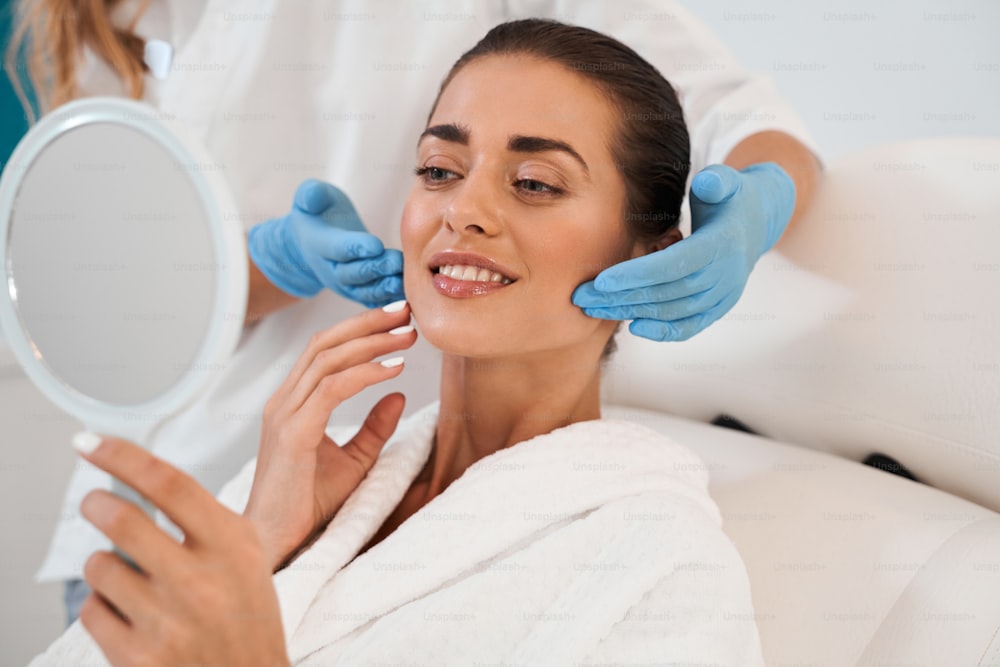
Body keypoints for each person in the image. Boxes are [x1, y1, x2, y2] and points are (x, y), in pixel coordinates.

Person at [7, 0, 820, 626]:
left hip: (347, 514)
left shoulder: (640, 554)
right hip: (176, 503)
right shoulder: (171, 18)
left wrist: (754, 212)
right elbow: (136, 289)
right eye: (435, 168)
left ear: (643, 248)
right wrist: (259, 261)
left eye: (533, 182)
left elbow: (751, 124)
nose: (463, 211)